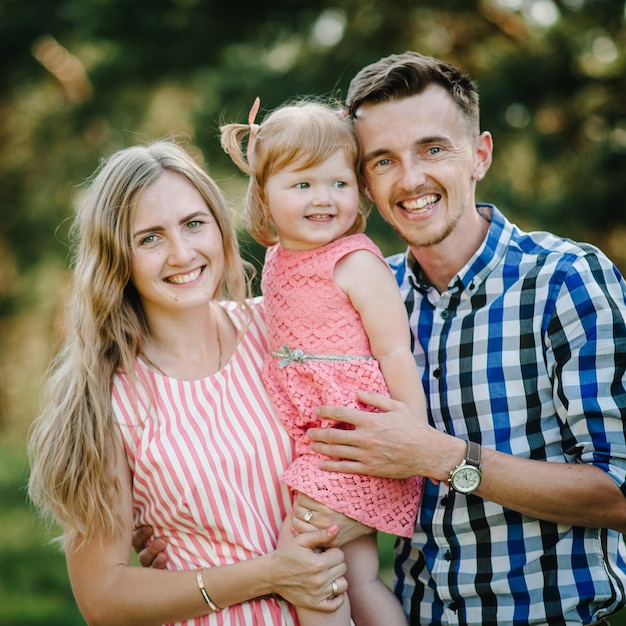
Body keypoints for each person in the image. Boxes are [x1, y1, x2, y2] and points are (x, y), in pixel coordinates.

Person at [301, 52, 626, 626]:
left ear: (480, 155)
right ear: (366, 186)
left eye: (433, 149)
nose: (410, 179)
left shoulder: (567, 280)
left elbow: (620, 492)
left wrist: (440, 457)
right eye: (383, 161)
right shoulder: (368, 297)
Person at [27, 139, 350, 626]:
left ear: (220, 229)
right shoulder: (106, 398)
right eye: (149, 238)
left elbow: (367, 451)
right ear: (118, 257)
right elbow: (103, 596)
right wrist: (269, 573)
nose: (181, 253)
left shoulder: (284, 329)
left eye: (194, 224)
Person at [219, 98, 425, 626]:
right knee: (356, 579)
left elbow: (395, 351)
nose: (323, 199)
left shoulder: (354, 261)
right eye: (302, 184)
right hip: (322, 448)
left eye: (338, 183)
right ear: (264, 195)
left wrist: (414, 439)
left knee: (304, 564)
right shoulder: (278, 259)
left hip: (366, 446)